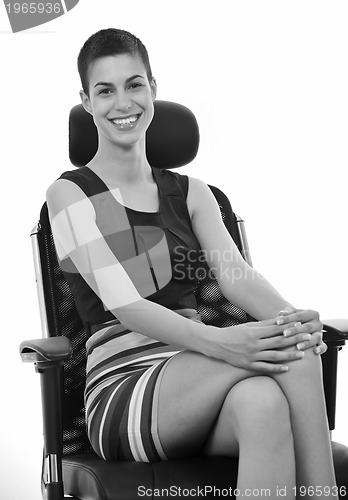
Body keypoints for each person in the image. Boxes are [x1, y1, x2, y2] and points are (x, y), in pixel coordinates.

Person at [46, 28, 337, 499]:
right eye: (106, 90)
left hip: (193, 367)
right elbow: (125, 303)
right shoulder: (68, 193)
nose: (124, 102)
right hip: (125, 388)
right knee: (296, 356)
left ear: (153, 88)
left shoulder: (192, 192)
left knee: (265, 400)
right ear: (86, 101)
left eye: (134, 84)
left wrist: (292, 317)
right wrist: (226, 344)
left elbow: (236, 275)